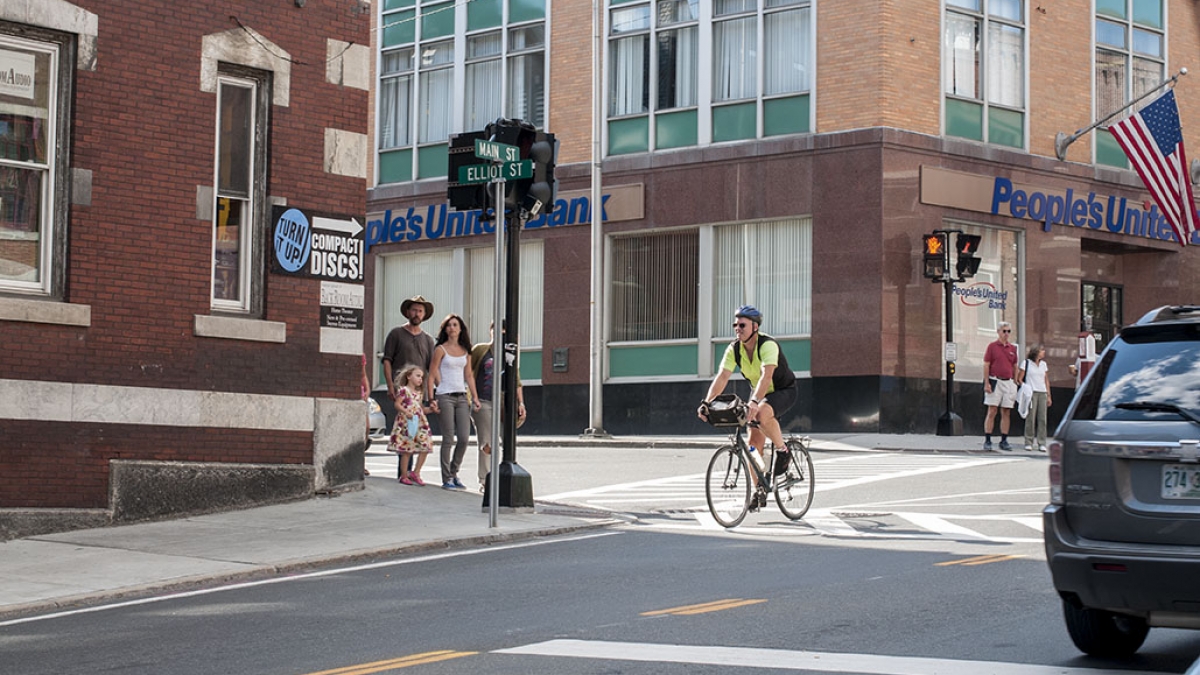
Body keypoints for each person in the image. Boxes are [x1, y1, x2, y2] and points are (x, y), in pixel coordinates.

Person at [697, 305, 798, 510]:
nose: (737, 328)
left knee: (761, 413)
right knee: (752, 445)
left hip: (783, 390)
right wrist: (707, 403)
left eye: (742, 324)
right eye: (735, 324)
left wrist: (754, 401)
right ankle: (759, 488)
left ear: (755, 326)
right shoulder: (734, 349)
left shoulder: (767, 345)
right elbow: (722, 377)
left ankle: (783, 450)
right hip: (759, 394)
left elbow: (766, 376)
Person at [470, 322, 526, 492]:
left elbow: (516, 379)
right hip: (483, 400)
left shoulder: (510, 353)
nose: (500, 334)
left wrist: (521, 403)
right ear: (491, 331)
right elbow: (468, 373)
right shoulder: (480, 350)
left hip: (503, 402)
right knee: (487, 441)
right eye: (496, 331)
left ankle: (503, 475)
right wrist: (472, 397)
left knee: (507, 439)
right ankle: (486, 480)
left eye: (504, 332)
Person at [428, 314, 482, 490]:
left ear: (460, 329)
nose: (452, 328)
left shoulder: (466, 351)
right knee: (448, 438)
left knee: (465, 438)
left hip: (461, 397)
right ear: (445, 330)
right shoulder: (440, 350)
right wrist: (431, 398)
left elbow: (469, 376)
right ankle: (447, 479)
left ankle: (454, 471)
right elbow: (431, 374)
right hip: (445, 396)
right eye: (448, 325)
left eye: (455, 325)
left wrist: (475, 397)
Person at [381, 295, 437, 403]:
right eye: (414, 310)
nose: (417, 314)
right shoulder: (396, 334)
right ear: (408, 312)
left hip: (420, 392)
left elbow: (432, 369)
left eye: (420, 311)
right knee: (402, 419)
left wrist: (435, 392)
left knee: (419, 419)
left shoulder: (428, 339)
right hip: (401, 391)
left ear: (424, 315)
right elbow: (387, 361)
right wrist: (390, 386)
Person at [389, 365, 433, 485]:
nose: (420, 379)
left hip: (419, 423)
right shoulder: (404, 390)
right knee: (407, 449)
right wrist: (405, 411)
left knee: (426, 446)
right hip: (407, 423)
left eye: (422, 377)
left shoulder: (419, 393)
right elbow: (397, 404)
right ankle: (404, 475)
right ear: (409, 376)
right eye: (417, 376)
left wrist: (431, 409)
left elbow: (420, 409)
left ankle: (416, 472)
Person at [983, 321, 1019, 451]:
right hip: (995, 380)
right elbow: (986, 364)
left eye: (1008, 331)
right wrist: (987, 382)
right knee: (992, 410)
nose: (1006, 334)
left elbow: (1015, 365)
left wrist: (1015, 380)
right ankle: (988, 439)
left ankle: (1004, 440)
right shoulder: (992, 347)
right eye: (1004, 331)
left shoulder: (1012, 349)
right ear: (998, 332)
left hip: (1008, 382)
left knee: (1006, 411)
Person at [1018, 344, 1052, 452]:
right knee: (1030, 418)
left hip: (1042, 392)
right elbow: (1019, 378)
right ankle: (1028, 441)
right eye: (1042, 350)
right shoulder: (1026, 363)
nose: (1044, 352)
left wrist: (1048, 395)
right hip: (1031, 392)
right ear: (1036, 352)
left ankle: (1042, 442)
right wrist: (1026, 388)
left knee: (1043, 418)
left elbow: (1046, 380)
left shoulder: (1043, 364)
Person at [360, 353, 371, 477]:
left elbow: (363, 374)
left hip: (361, 395)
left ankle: (361, 461)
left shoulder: (361, 355)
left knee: (366, 427)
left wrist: (367, 389)